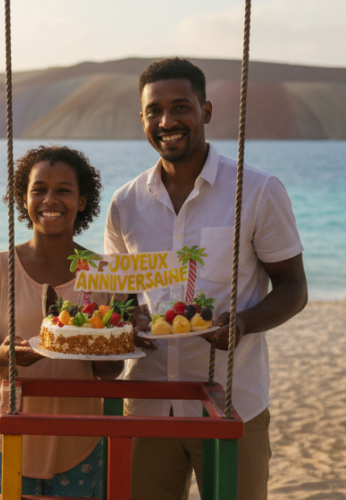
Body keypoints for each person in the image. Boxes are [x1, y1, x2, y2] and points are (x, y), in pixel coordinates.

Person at [105, 57, 307, 500]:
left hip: (233, 401)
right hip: (145, 403)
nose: (167, 121)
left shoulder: (257, 190)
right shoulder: (125, 203)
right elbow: (121, 298)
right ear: (141, 119)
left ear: (207, 111)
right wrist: (126, 324)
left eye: (181, 107)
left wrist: (243, 324)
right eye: (154, 111)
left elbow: (294, 288)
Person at [0, 145, 131, 500]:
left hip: (80, 439)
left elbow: (111, 372)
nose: (50, 199)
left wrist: (103, 339)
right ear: (22, 199)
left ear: (83, 200)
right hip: (6, 433)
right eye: (38, 189)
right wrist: (4, 356)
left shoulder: (105, 274)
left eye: (64, 190)